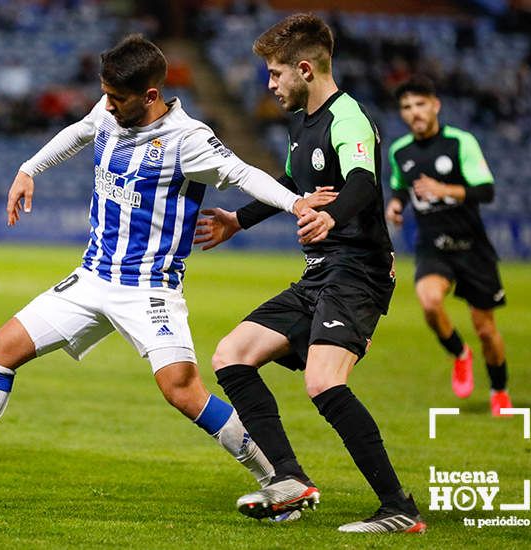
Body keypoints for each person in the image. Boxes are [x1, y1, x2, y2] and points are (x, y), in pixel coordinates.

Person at [0, 34, 333, 508]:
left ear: (150, 96)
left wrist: (296, 202)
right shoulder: (107, 111)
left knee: (182, 391)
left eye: (117, 98)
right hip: (91, 278)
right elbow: (78, 132)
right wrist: (28, 169)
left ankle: (279, 479)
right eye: (105, 94)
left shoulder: (189, 141)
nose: (107, 105)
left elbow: (245, 174)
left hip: (148, 289)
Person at [194, 14, 426, 533]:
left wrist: (330, 214)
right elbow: (293, 181)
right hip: (321, 273)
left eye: (276, 74)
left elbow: (364, 183)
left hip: (358, 270)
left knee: (324, 384)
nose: (270, 85)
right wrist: (238, 220)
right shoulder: (303, 122)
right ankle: (291, 481)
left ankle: (399, 508)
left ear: (304, 68)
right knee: (232, 355)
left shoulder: (348, 117)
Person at [385, 76, 511, 416]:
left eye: (420, 104)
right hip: (433, 246)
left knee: (486, 330)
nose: (414, 113)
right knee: (429, 303)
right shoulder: (400, 151)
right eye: (407, 108)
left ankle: (499, 389)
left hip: (472, 247)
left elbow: (486, 190)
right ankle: (459, 353)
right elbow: (400, 187)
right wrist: (396, 204)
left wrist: (445, 189)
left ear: (435, 105)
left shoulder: (460, 142)